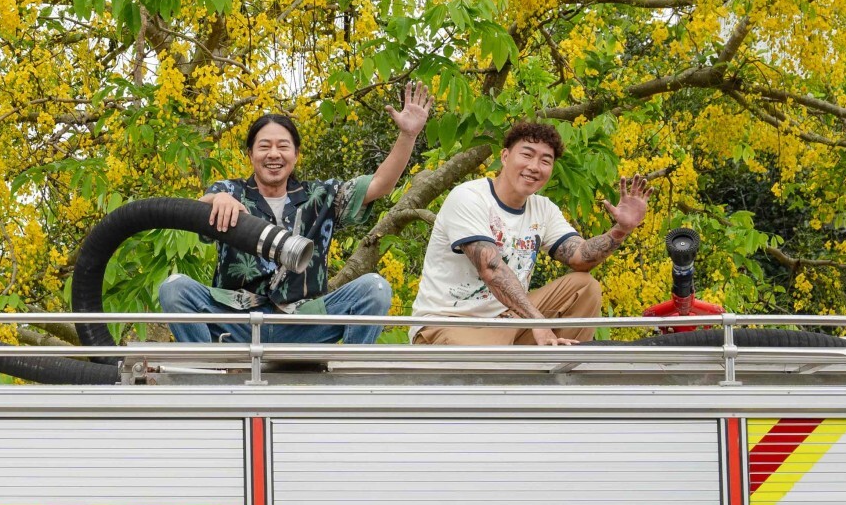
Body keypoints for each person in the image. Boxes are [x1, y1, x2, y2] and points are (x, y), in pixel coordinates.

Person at [157, 86, 432, 346]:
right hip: (236, 322)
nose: (273, 154)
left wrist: (408, 135)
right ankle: (208, 373)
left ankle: (350, 382)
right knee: (174, 288)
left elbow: (380, 184)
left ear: (296, 154)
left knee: (375, 288)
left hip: (303, 324)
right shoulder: (230, 190)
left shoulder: (321, 196)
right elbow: (195, 209)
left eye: (283, 146)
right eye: (264, 146)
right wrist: (217, 199)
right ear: (250, 154)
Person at [410, 119, 651, 345]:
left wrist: (621, 230)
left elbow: (579, 257)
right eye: (526, 155)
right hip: (450, 324)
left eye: (545, 161)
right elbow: (490, 269)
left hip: (510, 320)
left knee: (584, 286)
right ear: (505, 157)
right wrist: (537, 321)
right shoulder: (469, 196)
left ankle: (557, 372)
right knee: (487, 364)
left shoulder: (543, 209)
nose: (534, 167)